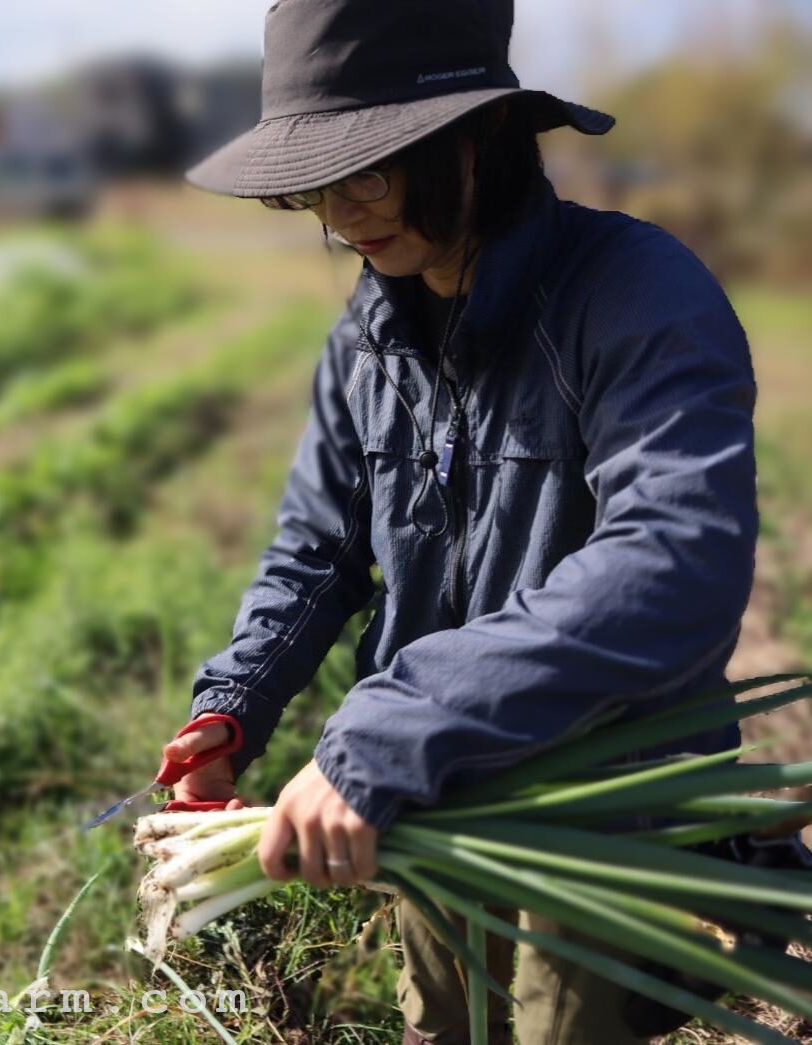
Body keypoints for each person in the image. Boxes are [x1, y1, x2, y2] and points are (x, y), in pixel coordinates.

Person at [158, 1, 759, 1042]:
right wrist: (233, 707)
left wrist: (393, 723)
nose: (339, 216)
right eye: (316, 186)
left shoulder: (634, 294)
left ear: (482, 133)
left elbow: (674, 560)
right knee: (442, 1024)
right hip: (437, 796)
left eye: (368, 173)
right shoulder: (369, 336)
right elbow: (319, 550)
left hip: (596, 807)